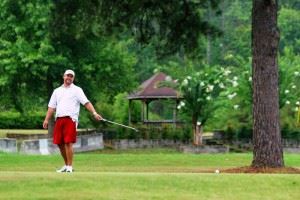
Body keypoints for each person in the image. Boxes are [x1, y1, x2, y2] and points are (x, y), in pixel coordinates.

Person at [43, 69, 103, 173]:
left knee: (68, 142)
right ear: (63, 76)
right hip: (59, 119)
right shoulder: (57, 91)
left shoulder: (77, 90)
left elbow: (86, 102)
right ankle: (66, 165)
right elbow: (51, 107)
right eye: (67, 76)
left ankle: (70, 166)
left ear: (73, 78)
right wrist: (46, 119)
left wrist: (94, 113)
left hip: (71, 119)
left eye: (71, 76)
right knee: (59, 143)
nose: (69, 78)